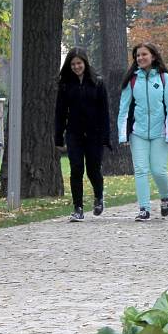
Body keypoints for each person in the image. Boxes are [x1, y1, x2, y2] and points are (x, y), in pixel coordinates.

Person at [118, 42, 168, 222]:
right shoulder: (132, 80)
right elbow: (123, 109)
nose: (140, 58)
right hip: (138, 133)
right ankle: (144, 208)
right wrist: (123, 134)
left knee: (158, 170)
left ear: (153, 56)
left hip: (160, 133)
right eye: (137, 56)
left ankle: (165, 196)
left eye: (144, 54)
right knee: (141, 170)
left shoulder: (164, 78)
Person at [55, 47, 111, 222]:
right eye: (73, 64)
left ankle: (99, 196)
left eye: (79, 63)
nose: (76, 67)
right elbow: (60, 112)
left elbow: (104, 112)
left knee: (93, 169)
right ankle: (78, 207)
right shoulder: (65, 85)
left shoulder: (98, 83)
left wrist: (105, 137)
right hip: (74, 133)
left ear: (85, 63)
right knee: (76, 168)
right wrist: (58, 136)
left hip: (94, 133)